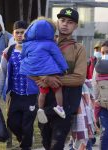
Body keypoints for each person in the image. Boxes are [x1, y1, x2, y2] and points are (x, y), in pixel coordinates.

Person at [36, 8, 87, 150]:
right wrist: (45, 78)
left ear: (75, 26)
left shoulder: (79, 49)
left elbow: (79, 78)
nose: (65, 24)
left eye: (70, 22)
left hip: (66, 104)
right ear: (57, 22)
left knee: (56, 144)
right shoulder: (45, 44)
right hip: (45, 101)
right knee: (46, 142)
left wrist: (54, 79)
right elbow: (32, 66)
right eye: (62, 20)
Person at [0, 21, 38, 150]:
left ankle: (26, 144)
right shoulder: (8, 51)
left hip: (31, 95)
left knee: (27, 125)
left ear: (28, 33)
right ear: (13, 34)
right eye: (17, 32)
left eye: (22, 32)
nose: (19, 35)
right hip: (15, 95)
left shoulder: (35, 50)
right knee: (12, 123)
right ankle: (25, 139)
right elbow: (2, 74)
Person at [19, 17, 68, 123]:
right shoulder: (50, 44)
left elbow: (22, 56)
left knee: (42, 91)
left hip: (30, 71)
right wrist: (64, 68)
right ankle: (59, 106)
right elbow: (58, 57)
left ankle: (40, 109)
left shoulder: (27, 44)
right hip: (48, 71)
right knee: (57, 88)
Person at [92, 40, 108, 150]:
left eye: (107, 52)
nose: (105, 55)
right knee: (105, 132)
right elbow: (95, 85)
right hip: (103, 106)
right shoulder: (98, 67)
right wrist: (95, 101)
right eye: (103, 52)